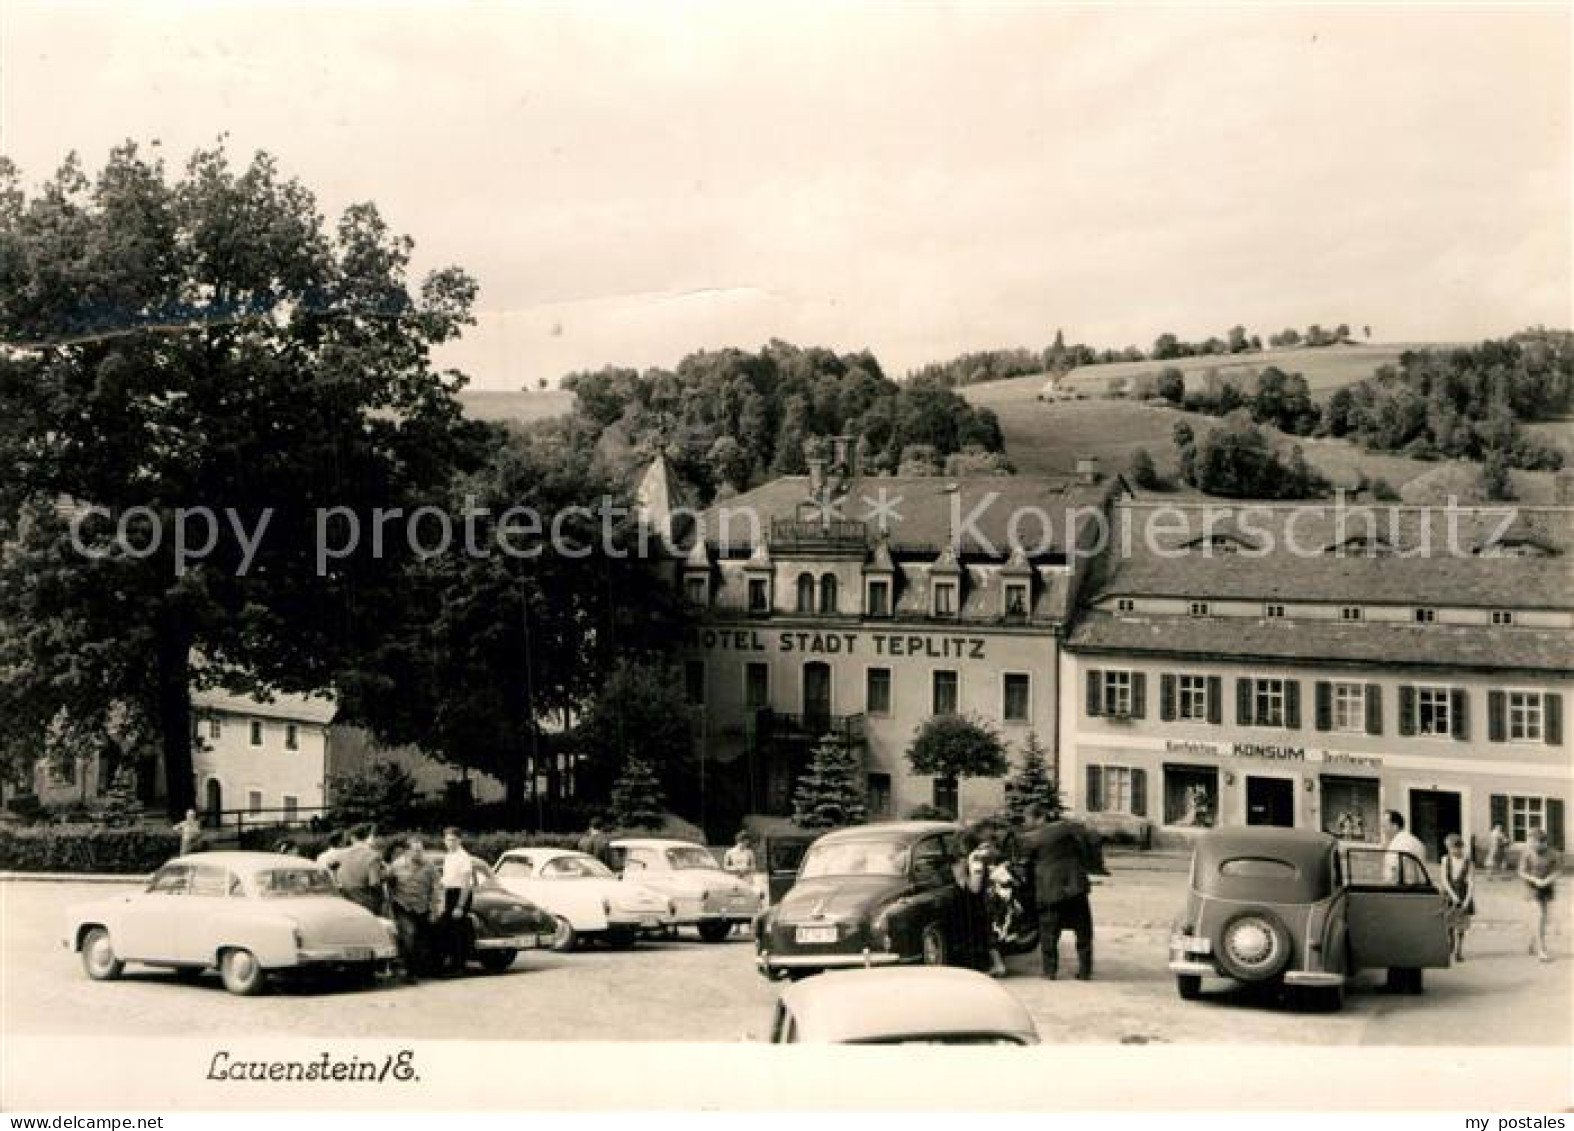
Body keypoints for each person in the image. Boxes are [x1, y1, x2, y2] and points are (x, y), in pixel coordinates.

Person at [1021, 804, 1102, 980]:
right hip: (1076, 888)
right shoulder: (1070, 828)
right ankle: (1085, 971)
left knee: (1048, 932)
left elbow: (1026, 866)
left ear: (1040, 817)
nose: (1026, 823)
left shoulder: (1033, 838)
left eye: (1028, 819)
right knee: (1083, 931)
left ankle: (1050, 972)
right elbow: (1092, 840)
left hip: (1050, 890)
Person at [384, 837, 441, 983]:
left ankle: (418, 970)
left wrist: (434, 909)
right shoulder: (396, 865)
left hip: (422, 907)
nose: (419, 853)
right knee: (409, 934)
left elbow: (436, 888)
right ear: (408, 851)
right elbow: (388, 885)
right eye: (415, 850)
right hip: (403, 906)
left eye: (421, 850)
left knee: (421, 940)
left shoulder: (429, 866)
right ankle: (410, 973)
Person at [438, 827, 478, 975]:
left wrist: (460, 906)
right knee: (446, 929)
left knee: (458, 931)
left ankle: (459, 967)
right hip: (449, 893)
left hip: (460, 894)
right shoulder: (448, 856)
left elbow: (466, 884)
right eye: (447, 840)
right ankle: (450, 964)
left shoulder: (464, 857)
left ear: (459, 840)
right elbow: (446, 879)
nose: (450, 843)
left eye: (453, 840)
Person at [1518, 827, 1560, 963]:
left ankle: (1532, 941)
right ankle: (1542, 950)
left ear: (1544, 842)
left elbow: (1557, 871)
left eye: (1535, 842)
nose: (1532, 845)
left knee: (1544, 919)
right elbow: (1521, 872)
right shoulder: (1527, 853)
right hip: (1532, 887)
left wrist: (1547, 880)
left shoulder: (1553, 854)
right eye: (1530, 842)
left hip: (1547, 887)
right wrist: (1535, 880)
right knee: (1540, 915)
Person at [1439, 833, 1475, 962]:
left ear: (1462, 847)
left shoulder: (1468, 862)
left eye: (1457, 848)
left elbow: (1471, 882)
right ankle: (1450, 945)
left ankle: (1459, 951)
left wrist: (1467, 899)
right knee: (1449, 923)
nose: (1454, 851)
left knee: (1461, 924)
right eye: (1451, 848)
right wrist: (1453, 896)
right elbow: (1444, 879)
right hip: (1449, 893)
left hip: (1462, 891)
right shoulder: (1445, 860)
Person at [336, 824, 386, 916]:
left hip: (347, 900)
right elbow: (374, 882)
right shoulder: (372, 855)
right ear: (369, 837)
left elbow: (338, 877)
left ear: (353, 838)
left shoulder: (341, 854)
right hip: (367, 900)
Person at [1382, 810, 1428, 880]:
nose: (1383, 830)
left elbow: (1394, 870)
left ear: (1395, 826)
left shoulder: (1400, 843)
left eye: (1385, 826)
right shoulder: (1413, 840)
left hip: (1403, 888)